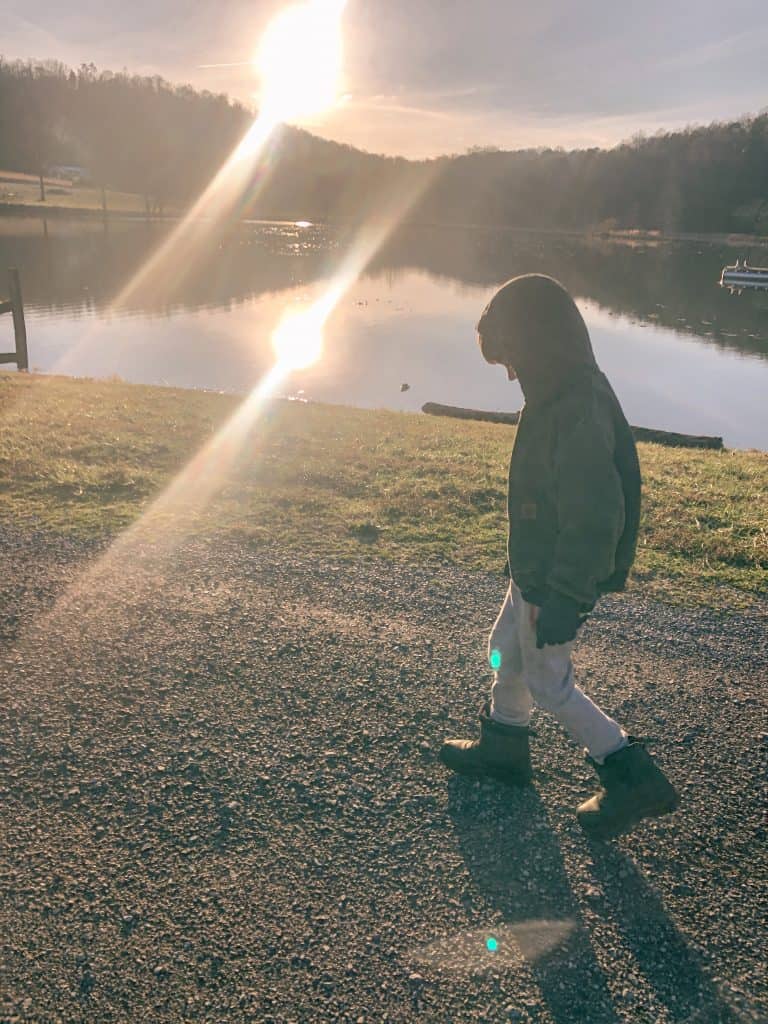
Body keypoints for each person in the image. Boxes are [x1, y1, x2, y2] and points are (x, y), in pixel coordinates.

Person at [438, 274, 679, 840]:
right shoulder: (555, 394)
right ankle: (505, 744)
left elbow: (594, 517)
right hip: (537, 567)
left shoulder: (577, 411)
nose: (511, 375)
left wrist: (567, 597)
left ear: (538, 343)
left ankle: (630, 773)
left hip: (557, 577)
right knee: (505, 647)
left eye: (512, 360)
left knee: (549, 680)